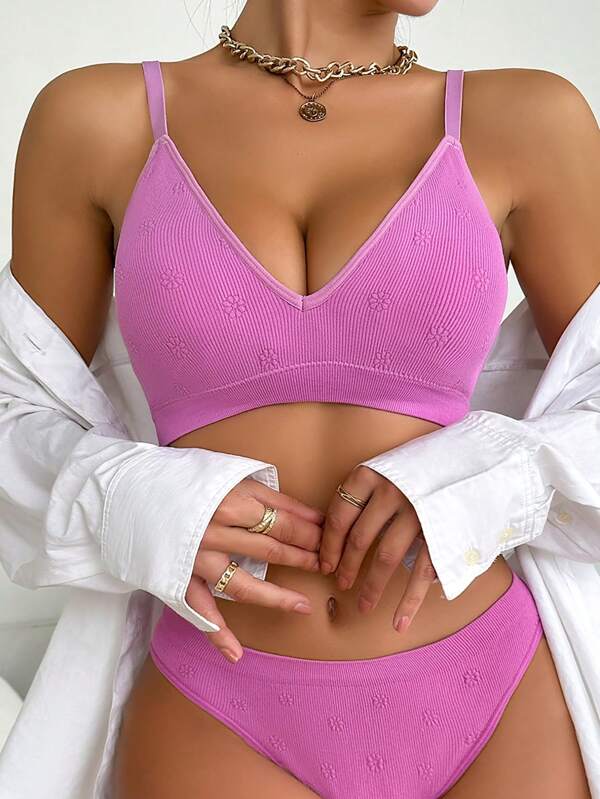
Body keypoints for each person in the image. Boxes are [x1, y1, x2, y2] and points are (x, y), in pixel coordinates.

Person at [1, 1, 599, 797]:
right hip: (220, 704)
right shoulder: (99, 121)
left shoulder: (529, 120)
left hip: (497, 694)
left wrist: (492, 476)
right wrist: (136, 495)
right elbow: (16, 414)